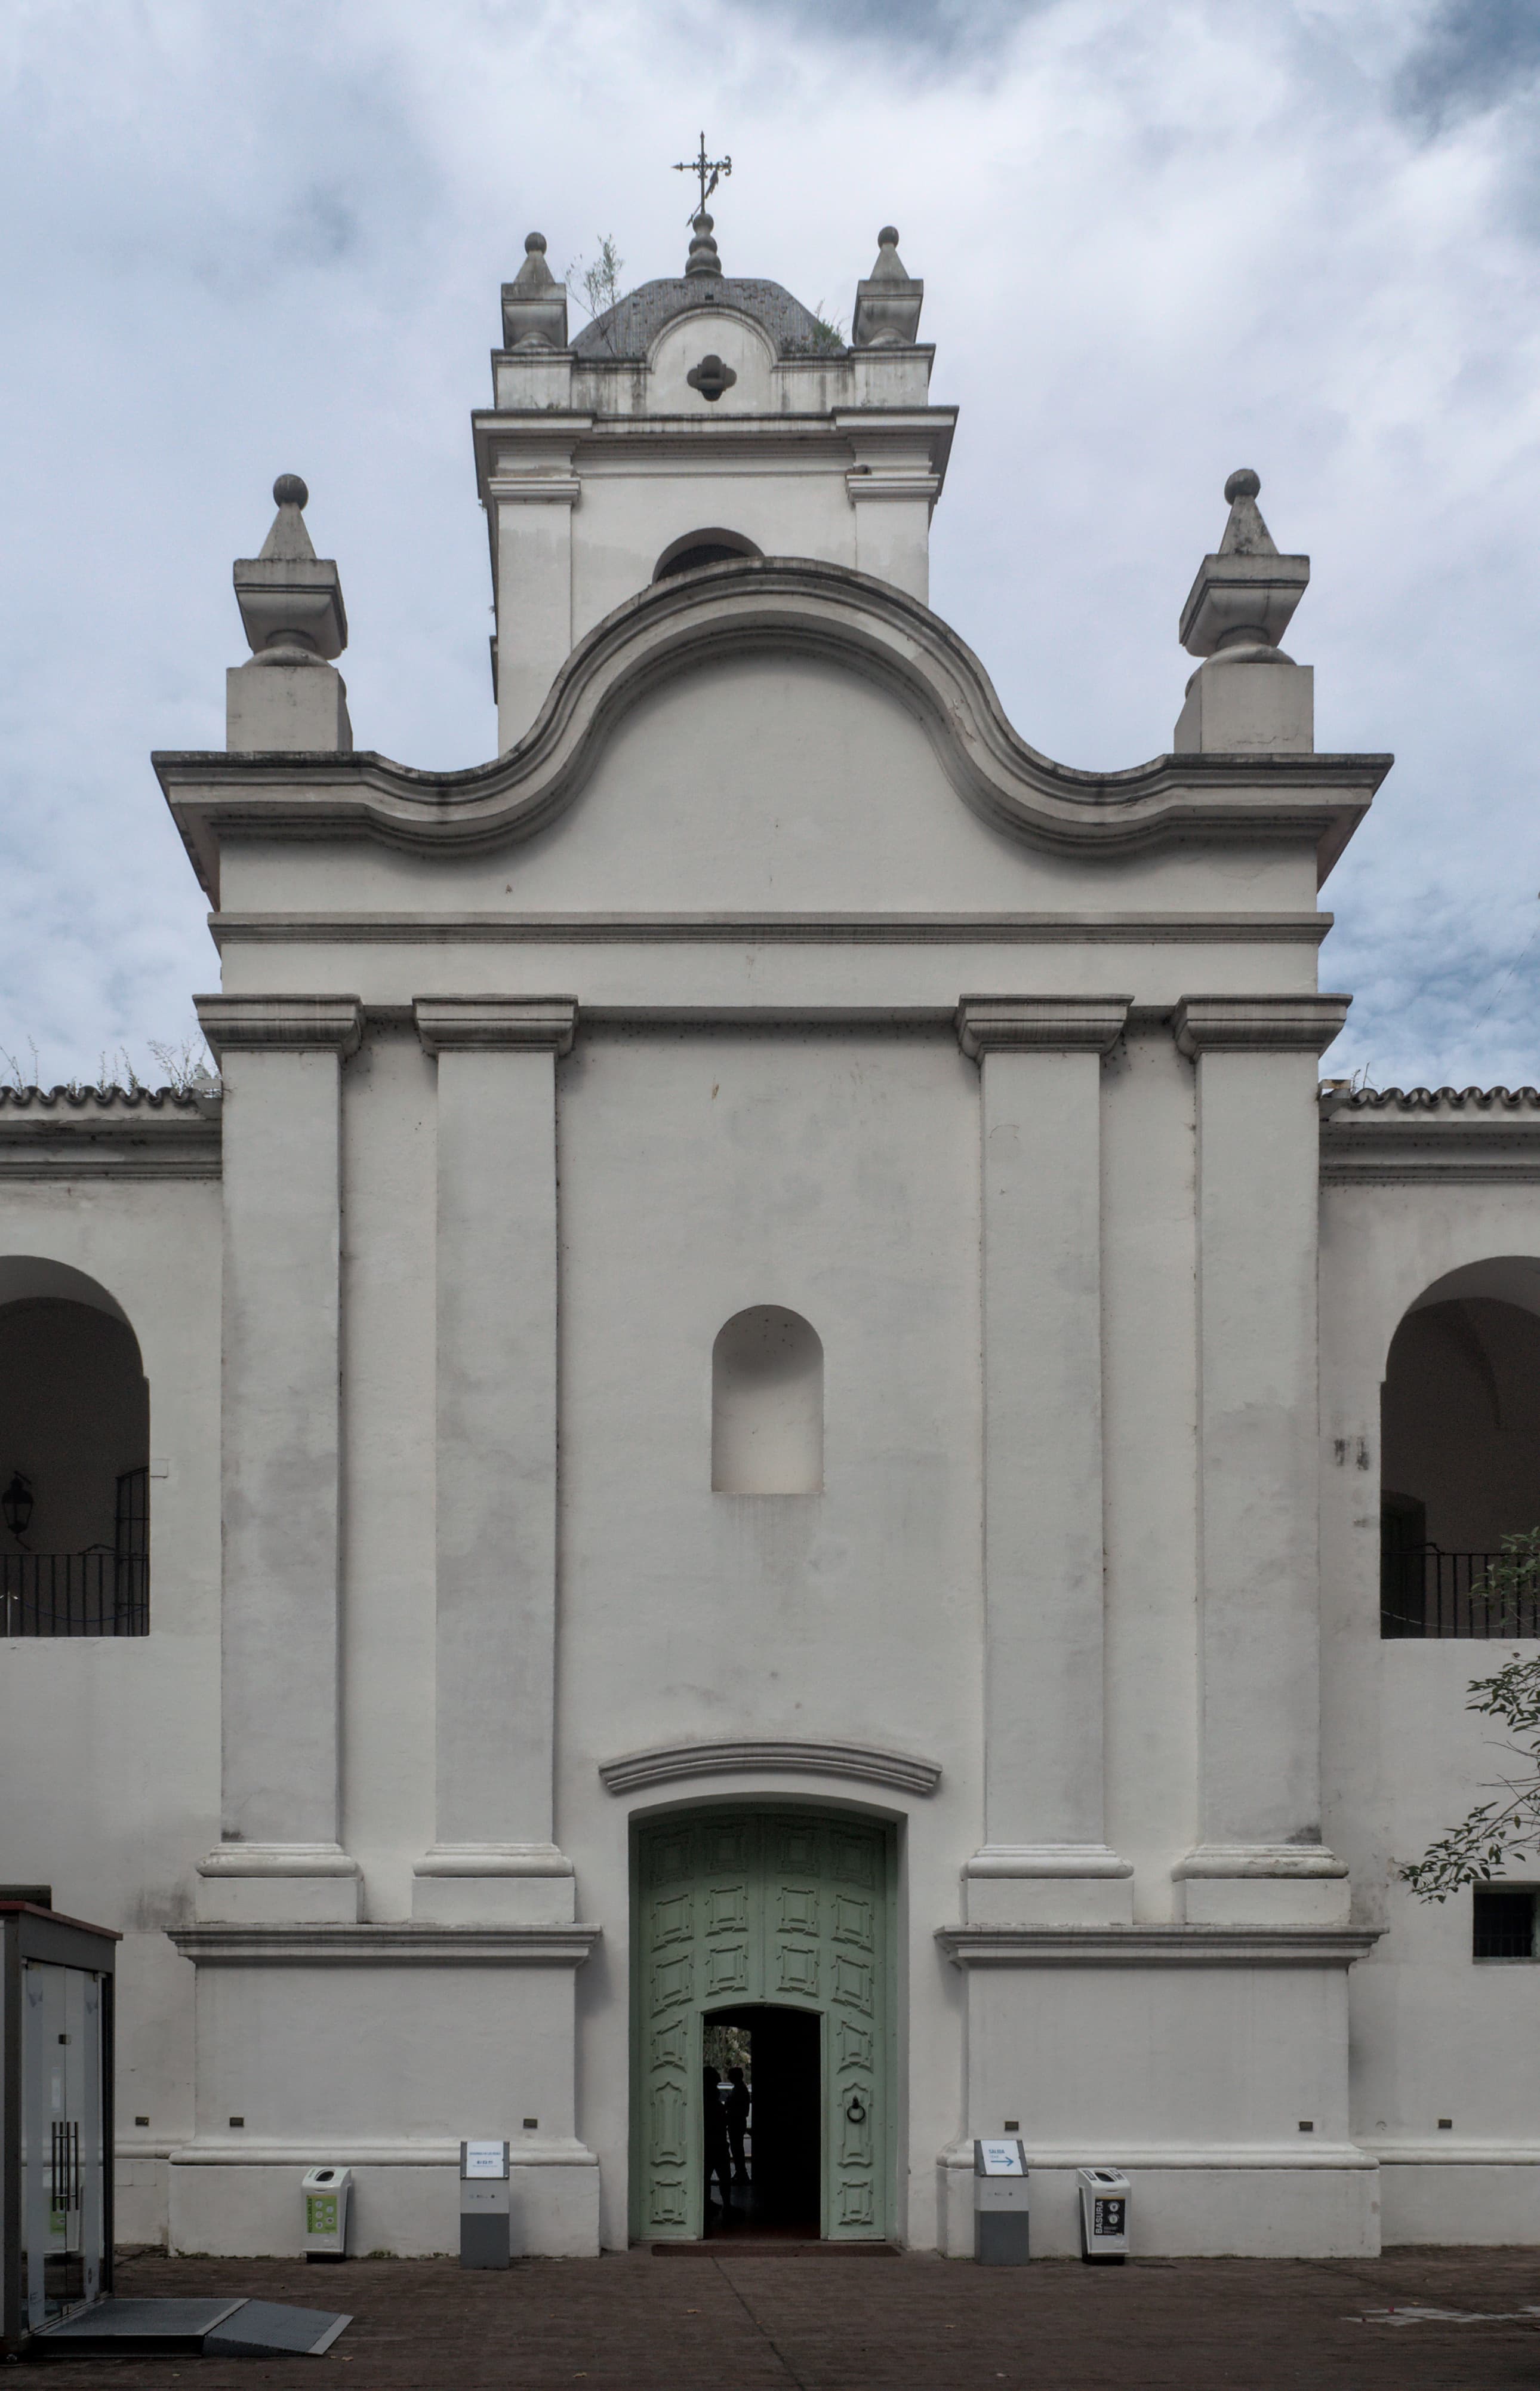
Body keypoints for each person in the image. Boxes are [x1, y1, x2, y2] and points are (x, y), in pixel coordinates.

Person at [702, 2066, 732, 2218]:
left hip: (712, 2144)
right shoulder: (710, 2103)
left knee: (710, 2177)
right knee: (722, 2177)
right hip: (716, 2145)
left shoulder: (706, 2102)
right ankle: (724, 2204)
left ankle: (713, 2203)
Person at [725, 2065, 751, 2182]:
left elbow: (737, 2108)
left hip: (736, 2122)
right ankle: (741, 2172)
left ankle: (741, 2173)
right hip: (737, 2122)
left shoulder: (739, 2090)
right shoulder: (740, 2088)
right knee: (737, 2149)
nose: (728, 2077)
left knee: (737, 2149)